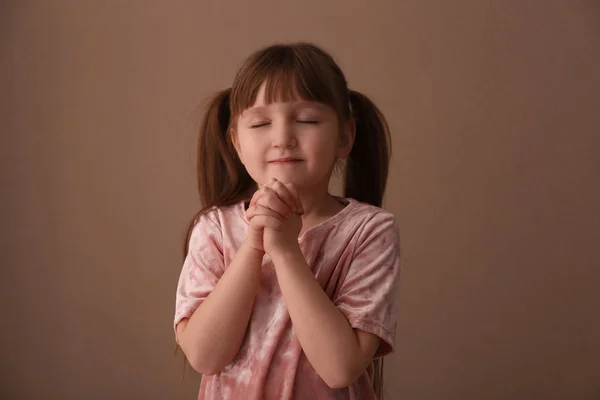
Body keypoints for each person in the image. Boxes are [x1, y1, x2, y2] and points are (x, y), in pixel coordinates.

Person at [174, 42, 401, 400]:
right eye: (261, 123)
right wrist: (253, 245)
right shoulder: (215, 229)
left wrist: (285, 252)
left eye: (307, 120)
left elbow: (340, 368)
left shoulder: (368, 231)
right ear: (236, 142)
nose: (282, 139)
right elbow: (205, 355)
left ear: (344, 136)